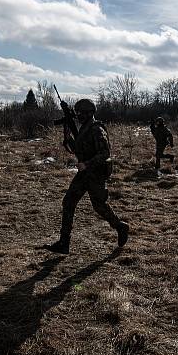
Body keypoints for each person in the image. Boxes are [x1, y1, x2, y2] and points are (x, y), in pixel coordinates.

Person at [46, 98, 129, 254]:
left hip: (96, 173)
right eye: (77, 113)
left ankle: (120, 226)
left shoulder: (96, 129)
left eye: (81, 113)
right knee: (68, 202)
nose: (78, 116)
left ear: (89, 113)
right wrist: (67, 134)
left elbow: (105, 154)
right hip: (84, 174)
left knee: (99, 206)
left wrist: (87, 164)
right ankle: (64, 243)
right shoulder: (84, 128)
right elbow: (75, 148)